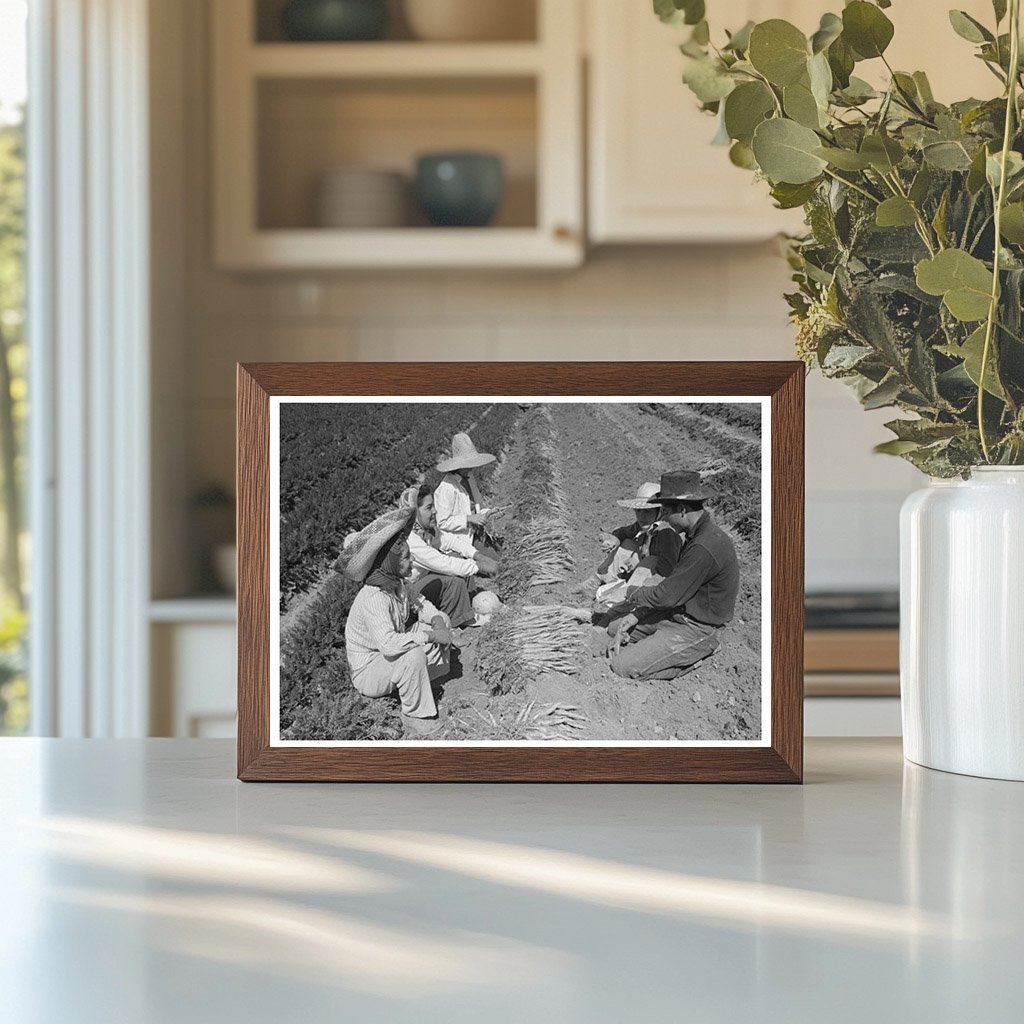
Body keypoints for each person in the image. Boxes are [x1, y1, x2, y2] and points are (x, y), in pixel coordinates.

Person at [605, 470, 739, 682]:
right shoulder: (695, 536)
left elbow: (667, 595)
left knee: (622, 666)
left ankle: (696, 656)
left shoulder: (705, 546)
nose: (664, 517)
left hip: (697, 628)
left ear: (683, 510)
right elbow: (673, 590)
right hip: (677, 613)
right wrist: (635, 615)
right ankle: (657, 647)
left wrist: (630, 592)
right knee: (615, 628)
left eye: (666, 511)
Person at [341, 505, 452, 737]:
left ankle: (423, 685)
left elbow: (420, 603)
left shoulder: (398, 584)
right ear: (390, 562)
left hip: (386, 657)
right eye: (405, 557)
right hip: (370, 669)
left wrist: (437, 622)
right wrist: (430, 635)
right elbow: (389, 645)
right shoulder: (374, 597)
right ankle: (414, 716)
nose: (411, 561)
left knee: (441, 619)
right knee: (412, 654)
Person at [398, 484, 479, 629]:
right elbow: (442, 563)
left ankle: (468, 603)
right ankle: (456, 621)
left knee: (458, 558)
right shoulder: (411, 539)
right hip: (408, 599)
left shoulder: (425, 530)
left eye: (433, 506)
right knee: (453, 579)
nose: (435, 511)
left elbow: (449, 541)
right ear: (415, 513)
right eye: (429, 508)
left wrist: (475, 555)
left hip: (423, 584)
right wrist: (479, 566)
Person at [595, 481, 683, 605]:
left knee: (650, 561)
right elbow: (623, 532)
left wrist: (638, 589)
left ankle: (623, 603)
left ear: (660, 511)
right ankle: (595, 582)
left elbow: (667, 571)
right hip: (645, 575)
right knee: (626, 545)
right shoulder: (643, 526)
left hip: (663, 582)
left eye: (647, 512)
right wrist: (614, 539)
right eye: (638, 511)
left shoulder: (667, 532)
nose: (642, 516)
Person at [433, 432, 500, 576]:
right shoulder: (446, 488)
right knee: (495, 568)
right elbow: (442, 522)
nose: (471, 468)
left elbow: (475, 510)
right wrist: (468, 519)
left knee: (500, 557)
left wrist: (488, 513)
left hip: (472, 535)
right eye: (467, 465)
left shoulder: (467, 480)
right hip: (458, 541)